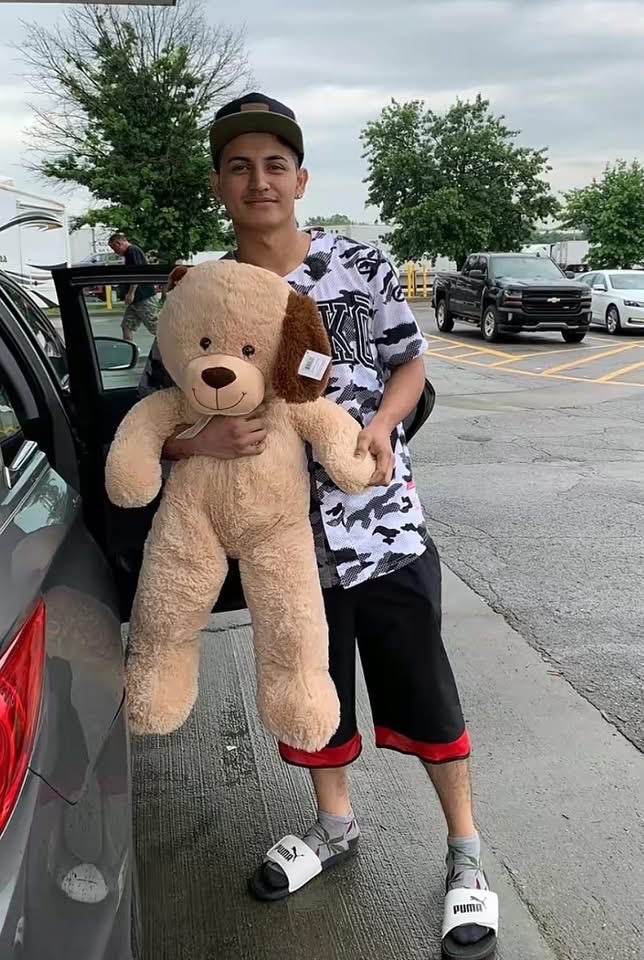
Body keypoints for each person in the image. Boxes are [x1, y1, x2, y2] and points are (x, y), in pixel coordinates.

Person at [138, 93, 499, 958]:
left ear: (300, 179)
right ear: (220, 185)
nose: (258, 180)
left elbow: (410, 365)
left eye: (275, 164)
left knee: (424, 689)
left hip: (383, 529)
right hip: (283, 548)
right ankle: (335, 827)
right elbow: (159, 411)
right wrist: (199, 442)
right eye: (239, 166)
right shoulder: (206, 292)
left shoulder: (360, 265)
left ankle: (465, 853)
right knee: (309, 687)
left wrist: (384, 427)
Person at [107, 233, 158, 342]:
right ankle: (129, 349)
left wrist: (131, 293)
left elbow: (137, 273)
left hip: (144, 297)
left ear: (118, 243)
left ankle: (172, 346)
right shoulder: (130, 253)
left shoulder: (132, 251)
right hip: (136, 300)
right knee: (127, 326)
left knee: (156, 327)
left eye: (114, 248)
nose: (115, 252)